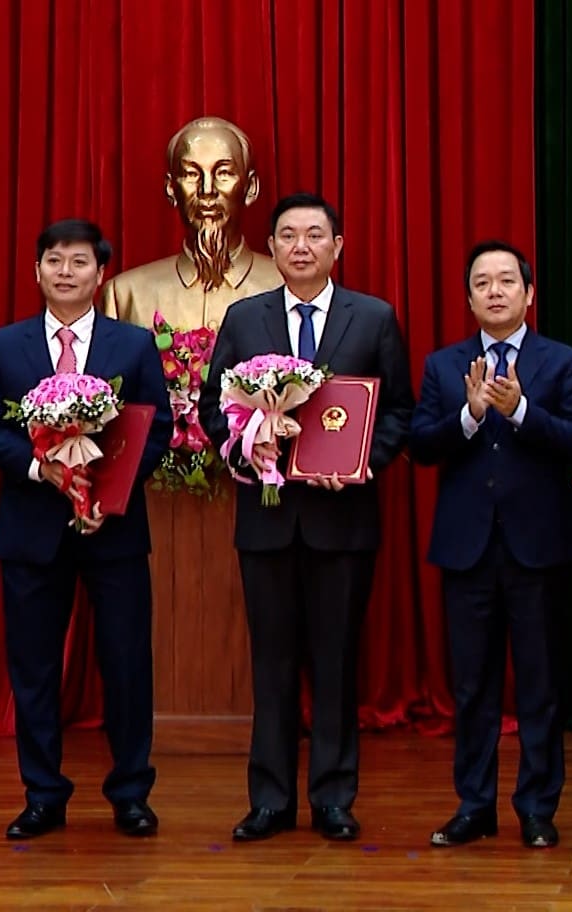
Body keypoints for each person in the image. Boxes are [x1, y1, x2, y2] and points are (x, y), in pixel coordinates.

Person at [197, 193, 414, 842]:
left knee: (337, 662)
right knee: (271, 665)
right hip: (267, 521)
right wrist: (244, 441)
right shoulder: (244, 319)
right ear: (273, 246)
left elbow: (398, 410)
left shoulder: (373, 319)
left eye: (314, 235)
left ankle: (333, 797)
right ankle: (269, 801)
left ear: (337, 246)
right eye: (287, 235)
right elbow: (214, 408)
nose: (300, 245)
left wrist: (359, 462)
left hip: (342, 520)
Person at [0, 219, 172, 839]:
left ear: (100, 272)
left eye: (79, 262)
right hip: (32, 531)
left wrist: (105, 490)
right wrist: (44, 468)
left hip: (112, 532)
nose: (66, 272)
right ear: (37, 271)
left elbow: (156, 430)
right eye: (54, 261)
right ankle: (43, 795)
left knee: (127, 665)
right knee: (33, 667)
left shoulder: (132, 346)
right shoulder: (4, 346)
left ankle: (131, 793)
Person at [410, 241, 572, 850]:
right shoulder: (444, 365)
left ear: (529, 293)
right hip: (467, 550)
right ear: (469, 298)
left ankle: (537, 808)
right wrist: (468, 416)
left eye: (506, 280)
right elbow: (421, 446)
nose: (495, 290)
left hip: (539, 547)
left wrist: (520, 413)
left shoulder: (562, 362)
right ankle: (474, 805)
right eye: (483, 282)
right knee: (472, 687)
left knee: (540, 685)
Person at [102, 116, 283, 330]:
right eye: (191, 174)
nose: (207, 190)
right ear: (171, 188)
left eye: (223, 173)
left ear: (250, 187)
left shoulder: (287, 287)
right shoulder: (124, 295)